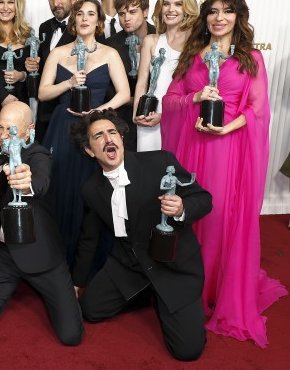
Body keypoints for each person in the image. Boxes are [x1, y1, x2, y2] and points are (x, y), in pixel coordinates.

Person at [161, 0, 288, 348]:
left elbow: (258, 108)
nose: (219, 18)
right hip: (193, 148)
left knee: (220, 217)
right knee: (192, 216)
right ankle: (193, 287)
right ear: (205, 17)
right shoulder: (192, 56)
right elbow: (170, 101)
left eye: (228, 11)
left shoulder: (251, 58)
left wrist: (226, 127)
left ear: (238, 17)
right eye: (213, 11)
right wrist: (195, 98)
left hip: (229, 150)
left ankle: (220, 288)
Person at [70, 109, 212, 361]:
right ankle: (147, 292)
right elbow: (88, 238)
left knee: (187, 352)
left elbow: (203, 199)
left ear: (121, 138)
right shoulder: (91, 189)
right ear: (89, 151)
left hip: (172, 265)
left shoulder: (160, 162)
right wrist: (77, 282)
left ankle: (161, 296)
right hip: (129, 264)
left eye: (112, 132)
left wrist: (182, 208)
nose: (108, 139)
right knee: (90, 310)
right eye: (99, 136)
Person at [0, 101, 83, 346]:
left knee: (71, 336)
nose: (3, 135)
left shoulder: (38, 154)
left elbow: (40, 180)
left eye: (11, 129)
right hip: (6, 252)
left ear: (29, 130)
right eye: (0, 127)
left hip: (41, 254)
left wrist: (27, 184)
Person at [38, 0, 130, 268]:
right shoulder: (58, 53)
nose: (85, 18)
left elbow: (125, 94)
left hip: (96, 130)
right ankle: (56, 261)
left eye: (91, 14)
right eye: (80, 13)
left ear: (99, 21)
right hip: (62, 129)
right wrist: (68, 83)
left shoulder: (110, 54)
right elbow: (43, 93)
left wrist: (97, 112)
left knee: (91, 192)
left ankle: (88, 263)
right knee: (60, 189)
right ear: (74, 20)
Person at [133, 0, 198, 152]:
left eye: (178, 4)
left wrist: (164, 116)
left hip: (179, 116)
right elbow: (142, 82)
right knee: (148, 164)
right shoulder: (151, 41)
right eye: (167, 4)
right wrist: (137, 114)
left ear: (187, 9)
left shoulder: (196, 45)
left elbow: (193, 89)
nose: (171, 9)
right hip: (148, 116)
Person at [102, 0, 157, 151]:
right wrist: (130, 99)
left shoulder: (161, 37)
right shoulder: (111, 44)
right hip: (122, 117)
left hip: (157, 113)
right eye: (121, 14)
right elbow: (106, 84)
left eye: (132, 12)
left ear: (145, 12)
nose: (126, 18)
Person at [29, 0, 79, 141]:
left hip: (72, 108)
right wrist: (32, 66)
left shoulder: (85, 27)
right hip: (46, 110)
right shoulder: (44, 27)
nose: (56, 3)